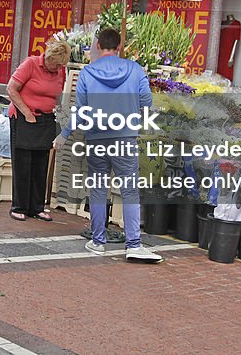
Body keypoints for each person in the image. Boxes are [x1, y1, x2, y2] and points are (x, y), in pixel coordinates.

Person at [55, 28, 162, 262]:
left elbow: (80, 110)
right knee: (130, 190)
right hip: (125, 136)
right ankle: (133, 244)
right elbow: (146, 101)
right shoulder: (134, 69)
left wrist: (64, 134)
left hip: (96, 138)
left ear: (98, 46)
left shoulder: (87, 73)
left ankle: (97, 241)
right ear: (119, 46)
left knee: (98, 190)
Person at [6, 41, 70, 221]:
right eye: (56, 64)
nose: (58, 68)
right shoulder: (31, 64)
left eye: (61, 65)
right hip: (24, 117)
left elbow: (57, 96)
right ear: (49, 57)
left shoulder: (60, 71)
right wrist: (27, 113)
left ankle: (37, 207)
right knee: (23, 162)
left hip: (46, 120)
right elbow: (11, 88)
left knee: (41, 164)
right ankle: (19, 206)